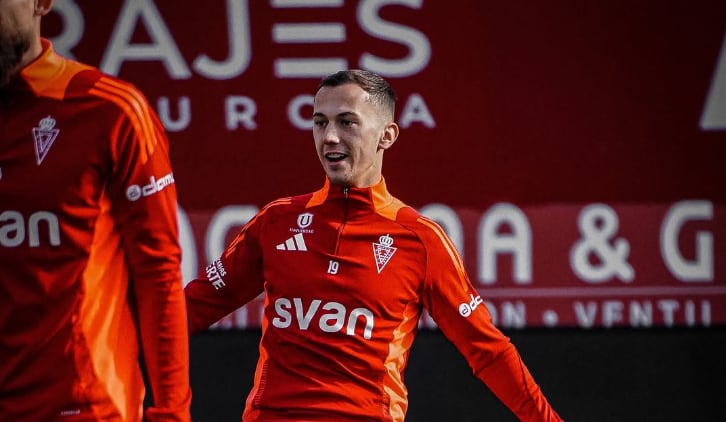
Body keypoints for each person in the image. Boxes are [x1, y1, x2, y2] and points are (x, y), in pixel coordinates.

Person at [184, 69, 562, 421]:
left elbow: (489, 352)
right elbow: (188, 311)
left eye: (347, 122)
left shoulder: (420, 239)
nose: (329, 136)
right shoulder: (275, 222)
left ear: (387, 135)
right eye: (320, 123)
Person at [0, 0, 191, 420]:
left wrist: (172, 412)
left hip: (84, 408)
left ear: (41, 3)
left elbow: (159, 276)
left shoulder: (110, 110)